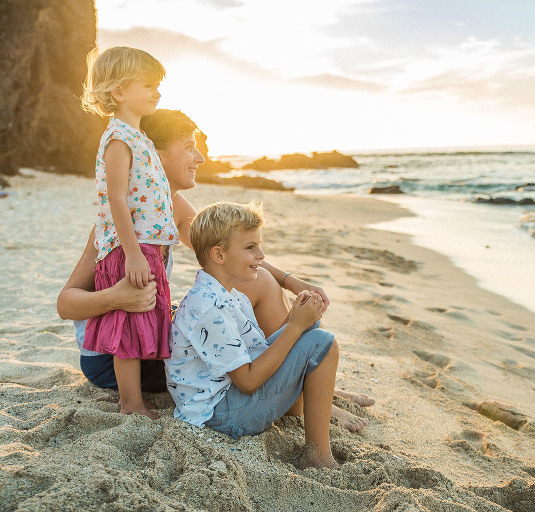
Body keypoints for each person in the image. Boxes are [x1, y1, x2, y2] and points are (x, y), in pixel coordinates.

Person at [57, 109, 372, 430]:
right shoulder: (115, 224)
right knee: (241, 301)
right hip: (111, 355)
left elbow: (230, 253)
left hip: (152, 330)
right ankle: (300, 393)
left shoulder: (173, 206)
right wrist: (117, 298)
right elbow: (65, 303)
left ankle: (305, 378)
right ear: (156, 156)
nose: (200, 158)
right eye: (189, 146)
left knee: (256, 284)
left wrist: (290, 280)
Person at [169, 202, 339, 468]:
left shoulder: (227, 294)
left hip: (226, 398)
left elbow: (256, 350)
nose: (261, 255)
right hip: (222, 413)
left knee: (311, 329)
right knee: (324, 344)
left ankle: (296, 411)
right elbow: (247, 381)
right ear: (219, 255)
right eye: (250, 247)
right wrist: (293, 326)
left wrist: (299, 319)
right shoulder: (211, 309)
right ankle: (318, 456)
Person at [80, 47, 177, 419]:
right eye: (149, 85)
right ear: (118, 92)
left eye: (158, 85)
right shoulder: (118, 139)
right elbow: (117, 199)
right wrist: (134, 254)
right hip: (129, 249)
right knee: (128, 328)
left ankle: (133, 397)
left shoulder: (139, 137)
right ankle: (130, 402)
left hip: (145, 246)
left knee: (141, 323)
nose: (157, 92)